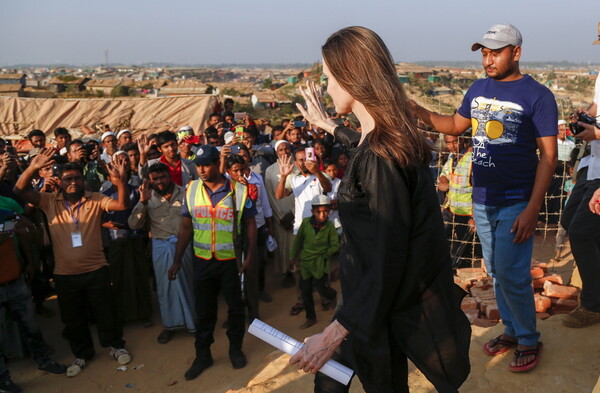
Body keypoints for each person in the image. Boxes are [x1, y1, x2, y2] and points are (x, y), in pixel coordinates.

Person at [289, 26, 470, 392]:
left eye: (328, 79)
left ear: (351, 78)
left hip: (376, 308)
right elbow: (365, 150)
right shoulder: (391, 139)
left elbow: (389, 255)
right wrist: (330, 126)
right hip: (370, 304)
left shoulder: (380, 159)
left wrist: (335, 330)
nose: (326, 88)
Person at [412, 24, 557, 372]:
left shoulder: (538, 96)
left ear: (516, 53)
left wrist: (532, 208)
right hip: (483, 199)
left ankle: (527, 338)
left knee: (512, 273)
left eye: (496, 52)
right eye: (484, 52)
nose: (488, 59)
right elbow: (453, 125)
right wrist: (414, 110)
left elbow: (549, 158)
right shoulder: (477, 89)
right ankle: (511, 329)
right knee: (496, 271)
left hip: (515, 200)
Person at [13, 147, 133, 378]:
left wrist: (120, 182)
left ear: (82, 179)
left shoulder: (95, 199)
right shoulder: (48, 201)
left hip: (97, 268)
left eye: (77, 177)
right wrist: (33, 167)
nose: (73, 182)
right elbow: (20, 190)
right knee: (73, 317)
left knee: (105, 312)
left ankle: (116, 346)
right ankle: (82, 353)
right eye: (68, 178)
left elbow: (122, 206)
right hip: (65, 273)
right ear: (59, 180)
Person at [168, 145, 257, 381]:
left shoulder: (239, 190)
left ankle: (235, 350)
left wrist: (249, 256)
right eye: (198, 165)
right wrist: (177, 259)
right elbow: (186, 225)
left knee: (236, 309)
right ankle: (203, 355)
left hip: (230, 262)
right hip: (203, 261)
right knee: (204, 311)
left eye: (206, 164)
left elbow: (249, 223)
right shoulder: (192, 189)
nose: (202, 170)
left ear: (217, 162)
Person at [0, 208, 67, 393]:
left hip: (15, 281)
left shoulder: (5, 214)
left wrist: (25, 228)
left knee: (31, 328)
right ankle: (3, 380)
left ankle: (44, 361)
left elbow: (34, 236)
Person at [128, 163, 196, 343]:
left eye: (162, 177)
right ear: (150, 181)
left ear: (169, 176)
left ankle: (194, 323)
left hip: (185, 245)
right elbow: (133, 224)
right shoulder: (147, 198)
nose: (159, 182)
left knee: (189, 284)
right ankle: (170, 326)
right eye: (155, 179)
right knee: (165, 288)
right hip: (161, 247)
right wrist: (142, 202)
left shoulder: (185, 192)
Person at [560, 23, 600, 328]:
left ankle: (594, 305)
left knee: (583, 230)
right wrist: (582, 117)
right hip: (595, 165)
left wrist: (596, 132)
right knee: (569, 218)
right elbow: (597, 108)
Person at [276, 147, 332, 315]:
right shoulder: (293, 179)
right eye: (300, 160)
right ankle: (302, 300)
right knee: (299, 270)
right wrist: (284, 176)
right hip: (299, 231)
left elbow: (328, 186)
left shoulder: (320, 176)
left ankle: (325, 298)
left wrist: (318, 172)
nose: (304, 163)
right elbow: (279, 195)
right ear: (295, 163)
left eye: (306, 159)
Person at [290, 195, 339, 330]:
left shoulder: (329, 227)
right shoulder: (306, 223)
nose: (322, 215)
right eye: (318, 212)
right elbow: (298, 242)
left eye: (325, 211)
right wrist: (293, 258)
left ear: (329, 211)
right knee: (305, 291)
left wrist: (324, 254)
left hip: (320, 264)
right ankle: (310, 318)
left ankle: (333, 295)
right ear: (313, 212)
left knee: (321, 288)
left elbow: (335, 245)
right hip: (305, 262)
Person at [437, 134, 476, 265]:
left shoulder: (471, 159)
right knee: (443, 243)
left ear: (462, 140)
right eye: (448, 143)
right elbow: (444, 175)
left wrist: (475, 215)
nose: (452, 146)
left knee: (465, 251)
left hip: (466, 213)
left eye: (455, 142)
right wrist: (443, 181)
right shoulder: (452, 158)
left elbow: (478, 188)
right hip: (450, 208)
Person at [264, 140, 298, 287]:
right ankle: (287, 273)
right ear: (276, 153)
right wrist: (280, 217)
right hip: (280, 217)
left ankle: (299, 272)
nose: (284, 152)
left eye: (286, 149)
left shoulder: (298, 167)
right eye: (281, 150)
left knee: (296, 245)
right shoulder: (270, 171)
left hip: (296, 214)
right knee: (283, 247)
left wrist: (295, 214)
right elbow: (270, 196)